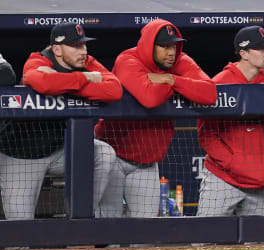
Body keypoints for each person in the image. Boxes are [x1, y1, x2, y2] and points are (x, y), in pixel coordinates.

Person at [0, 22, 123, 220]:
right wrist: (87, 78)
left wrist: (64, 80)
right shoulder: (36, 60)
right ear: (56, 49)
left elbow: (114, 89)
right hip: (21, 155)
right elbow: (41, 82)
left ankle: (79, 216)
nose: (83, 51)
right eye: (75, 46)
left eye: (84, 45)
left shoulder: (85, 62)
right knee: (20, 230)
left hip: (61, 151)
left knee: (104, 152)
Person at [95, 19, 217, 217]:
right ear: (149, 45)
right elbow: (150, 99)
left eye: (174, 46)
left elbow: (209, 93)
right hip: (114, 157)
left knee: (147, 230)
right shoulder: (128, 60)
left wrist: (171, 79)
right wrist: (182, 85)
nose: (171, 52)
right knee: (108, 227)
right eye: (164, 46)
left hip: (147, 163)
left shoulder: (180, 61)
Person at [197, 26, 264, 216]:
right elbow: (207, 135)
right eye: (261, 49)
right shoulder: (220, 83)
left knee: (257, 244)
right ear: (244, 53)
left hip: (260, 181)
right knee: (204, 241)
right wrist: (235, 163)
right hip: (223, 178)